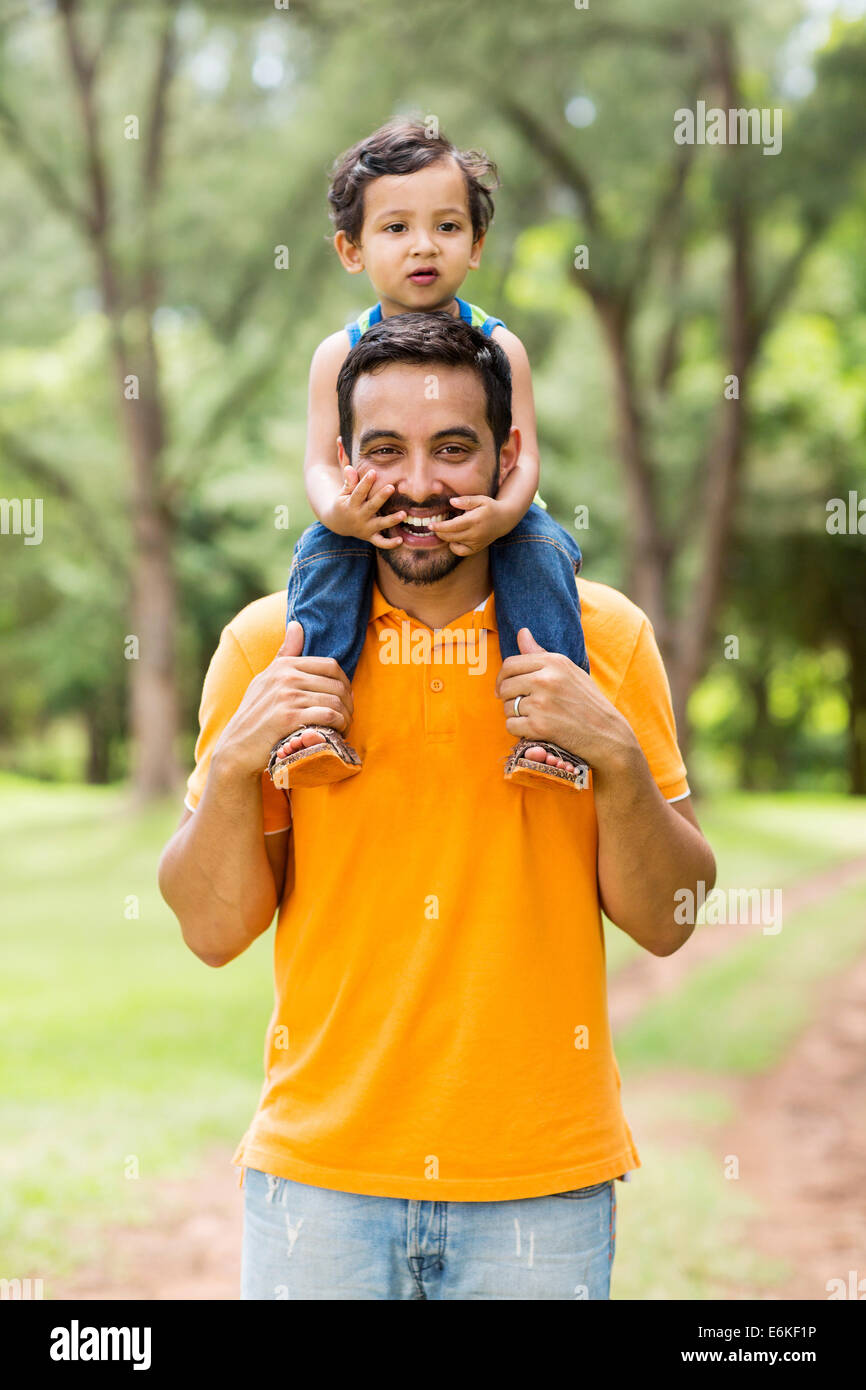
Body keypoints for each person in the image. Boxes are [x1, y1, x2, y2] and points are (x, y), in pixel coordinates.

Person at [158, 313, 716, 1301]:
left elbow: (669, 922)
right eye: (384, 452)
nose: (417, 484)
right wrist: (241, 760)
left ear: (506, 459)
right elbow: (209, 929)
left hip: (540, 1185)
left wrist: (616, 758)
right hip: (317, 1186)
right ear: (339, 461)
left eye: (451, 449)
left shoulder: (603, 640)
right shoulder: (268, 649)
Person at [272, 116, 591, 793]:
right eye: (396, 229)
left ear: (476, 246)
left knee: (543, 549)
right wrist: (341, 512)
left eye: (447, 228)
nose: (424, 246)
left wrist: (503, 514)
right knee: (322, 553)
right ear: (351, 249)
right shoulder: (338, 353)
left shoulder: (499, 347)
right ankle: (311, 719)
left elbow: (524, 457)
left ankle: (554, 727)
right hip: (375, 512)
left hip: (491, 507)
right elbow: (319, 464)